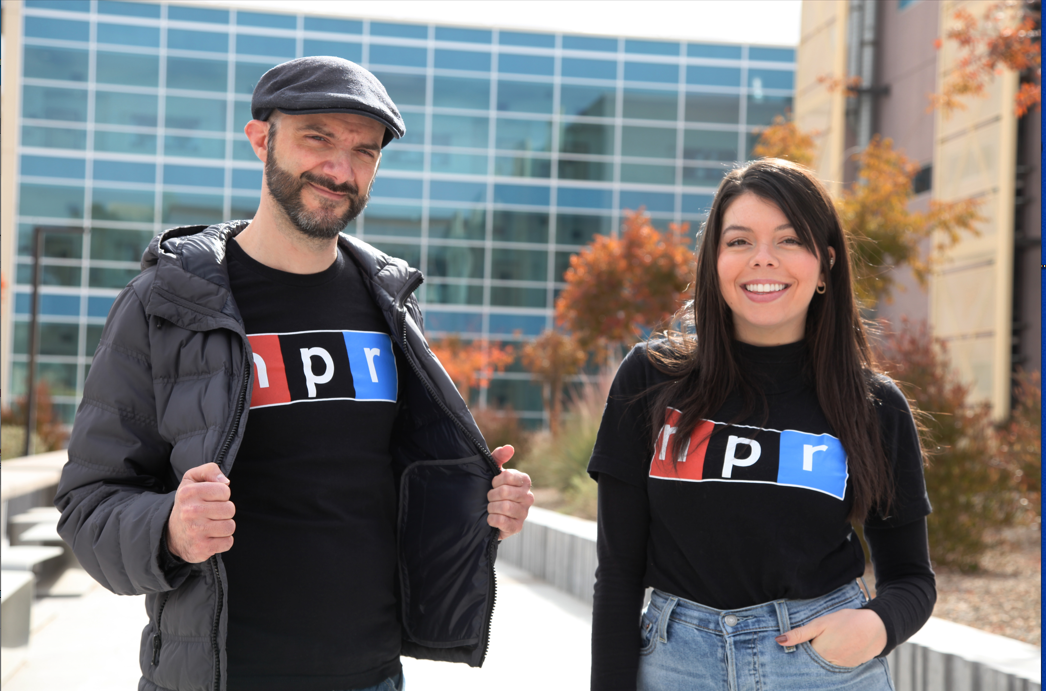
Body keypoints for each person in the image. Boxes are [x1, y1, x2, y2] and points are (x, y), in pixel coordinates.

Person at [55, 56, 534, 691]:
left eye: (364, 152)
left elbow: (398, 484)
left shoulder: (391, 304)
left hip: (370, 676)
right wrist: (169, 529)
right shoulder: (166, 304)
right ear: (261, 139)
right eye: (319, 139)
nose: (341, 170)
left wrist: (480, 506)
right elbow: (87, 506)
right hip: (220, 677)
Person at [588, 158, 936, 691]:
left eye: (790, 240)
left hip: (822, 668)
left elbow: (912, 578)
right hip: (677, 666)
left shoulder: (873, 405)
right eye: (739, 241)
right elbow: (617, 572)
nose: (763, 260)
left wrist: (874, 627)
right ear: (714, 261)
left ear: (826, 264)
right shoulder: (652, 379)